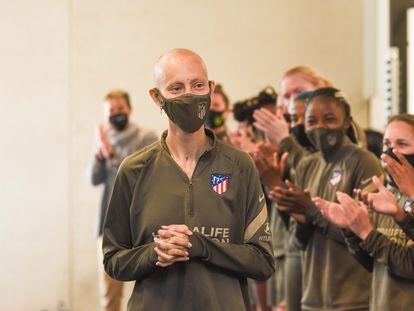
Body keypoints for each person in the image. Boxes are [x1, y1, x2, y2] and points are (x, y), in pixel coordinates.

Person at [102, 48, 275, 311]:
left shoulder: (240, 166)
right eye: (176, 88)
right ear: (157, 97)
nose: (189, 96)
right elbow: (114, 259)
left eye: (197, 85)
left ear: (211, 89)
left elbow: (262, 262)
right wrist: (154, 253)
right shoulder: (134, 169)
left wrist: (202, 246)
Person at [269, 87, 383, 311]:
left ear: (347, 121)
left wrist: (310, 211)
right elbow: (297, 242)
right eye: (312, 121)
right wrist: (296, 212)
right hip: (313, 298)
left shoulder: (363, 161)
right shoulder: (307, 165)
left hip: (353, 299)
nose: (320, 127)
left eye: (329, 119)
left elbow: (365, 235)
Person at [315, 113, 414, 310]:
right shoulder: (386, 195)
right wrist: (352, 230)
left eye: (402, 144)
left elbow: (409, 266)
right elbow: (374, 263)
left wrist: (367, 232)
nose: (390, 152)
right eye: (387, 144)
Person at [89, 89, 157, 311]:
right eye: (111, 111)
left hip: (142, 224)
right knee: (109, 293)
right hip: (108, 225)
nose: (117, 114)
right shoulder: (104, 142)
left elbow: (137, 177)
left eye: (120, 109)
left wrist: (111, 156)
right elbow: (93, 179)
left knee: (151, 289)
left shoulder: (145, 138)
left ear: (129, 109)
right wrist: (100, 155)